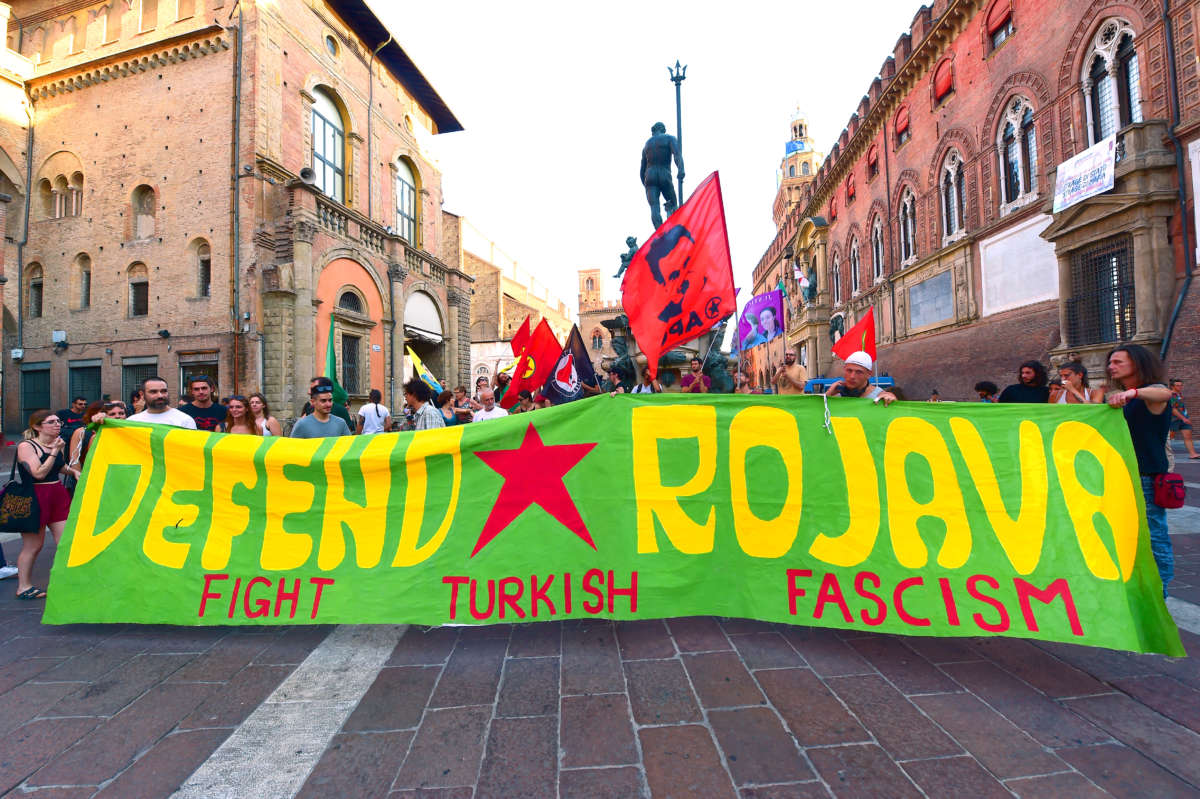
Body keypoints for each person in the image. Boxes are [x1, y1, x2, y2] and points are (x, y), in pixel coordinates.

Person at [1106, 344, 1175, 595]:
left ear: (1137, 363)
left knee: (1153, 537)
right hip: (1124, 477)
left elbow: (1164, 394)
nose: (1111, 366)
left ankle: (1160, 595)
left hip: (1146, 478)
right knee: (1128, 536)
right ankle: (1139, 588)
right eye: (1110, 362)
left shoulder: (1149, 394)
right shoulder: (1127, 399)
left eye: (1118, 362)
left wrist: (1133, 393)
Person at [13, 410, 79, 599]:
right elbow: (39, 473)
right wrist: (55, 451)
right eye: (51, 422)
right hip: (36, 495)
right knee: (33, 545)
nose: (57, 424)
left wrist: (72, 472)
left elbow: (58, 467)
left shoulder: (58, 443)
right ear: (37, 426)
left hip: (57, 494)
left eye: (58, 421)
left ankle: (66, 581)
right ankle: (24, 586)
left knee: (66, 541)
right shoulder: (27, 446)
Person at [824, 351, 897, 405]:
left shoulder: (879, 397)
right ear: (844, 370)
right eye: (849, 370)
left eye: (859, 372)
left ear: (869, 374)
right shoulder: (836, 395)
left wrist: (892, 401)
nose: (852, 376)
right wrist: (827, 395)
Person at [127, 377, 198, 428]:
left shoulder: (184, 420)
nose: (160, 395)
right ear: (142, 394)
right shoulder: (132, 422)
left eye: (164, 391)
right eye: (153, 392)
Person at [66, 401, 105, 485]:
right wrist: (81, 480)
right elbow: (75, 460)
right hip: (86, 476)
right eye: (102, 412)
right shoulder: (81, 432)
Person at [1169, 379, 1199, 459]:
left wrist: (1186, 417)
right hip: (1174, 420)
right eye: (1178, 385)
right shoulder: (1171, 395)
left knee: (1188, 436)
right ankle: (1161, 454)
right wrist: (1184, 418)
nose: (1180, 387)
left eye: (1181, 385)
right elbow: (1173, 409)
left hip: (1184, 419)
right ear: (1172, 386)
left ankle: (1193, 454)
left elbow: (1181, 407)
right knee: (1169, 438)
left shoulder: (1179, 394)